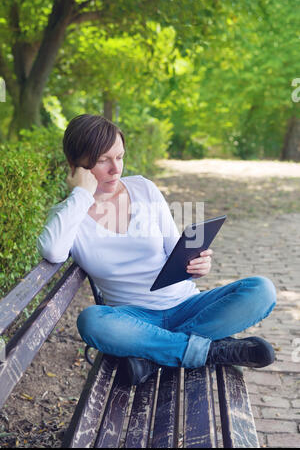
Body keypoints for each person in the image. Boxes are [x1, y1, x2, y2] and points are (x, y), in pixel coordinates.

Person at [37, 114, 277, 385]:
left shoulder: (143, 189)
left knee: (261, 290)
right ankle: (209, 350)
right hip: (134, 321)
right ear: (76, 165)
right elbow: (53, 251)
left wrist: (196, 267)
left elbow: (175, 251)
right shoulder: (70, 215)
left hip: (186, 305)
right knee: (91, 321)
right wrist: (81, 195)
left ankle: (153, 356)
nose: (116, 169)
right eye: (103, 160)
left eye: (120, 156)